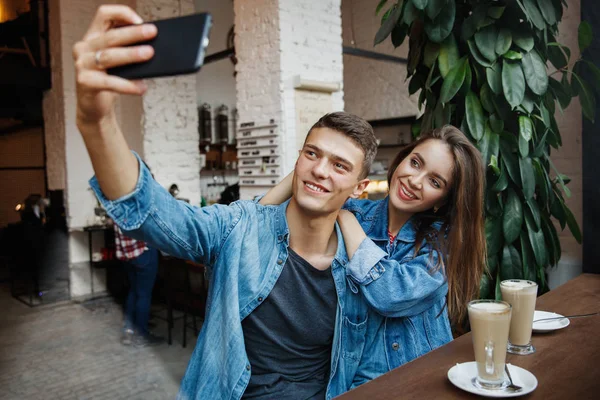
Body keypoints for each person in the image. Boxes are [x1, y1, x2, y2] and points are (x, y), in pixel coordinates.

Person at [73, 6, 387, 398]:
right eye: (312, 154)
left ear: (360, 188)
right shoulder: (241, 228)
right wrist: (95, 122)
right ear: (297, 161)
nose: (321, 169)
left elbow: (371, 362)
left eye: (339, 165)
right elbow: (154, 215)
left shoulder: (364, 266)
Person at [260, 125, 486, 372]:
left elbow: (392, 293)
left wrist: (346, 220)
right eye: (415, 163)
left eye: (434, 181)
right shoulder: (357, 211)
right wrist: (310, 166)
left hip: (422, 376)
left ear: (444, 199)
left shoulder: (443, 241)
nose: (414, 180)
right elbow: (261, 217)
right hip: (355, 376)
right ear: (402, 159)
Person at [113, 223, 162, 346]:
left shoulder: (115, 204)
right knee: (144, 295)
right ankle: (141, 335)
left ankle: (128, 331)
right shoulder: (137, 203)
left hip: (127, 254)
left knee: (134, 291)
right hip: (143, 251)